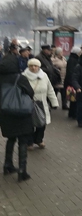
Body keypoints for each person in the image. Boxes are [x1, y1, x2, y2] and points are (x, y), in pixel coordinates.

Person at [0, 53, 34, 182]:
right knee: (23, 141)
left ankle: (7, 165)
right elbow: (30, 92)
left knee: (11, 138)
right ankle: (22, 171)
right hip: (21, 113)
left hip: (5, 113)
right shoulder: (20, 78)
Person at [22, 59, 58, 150]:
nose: (33, 68)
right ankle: (29, 142)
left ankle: (38, 140)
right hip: (27, 104)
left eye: (35, 66)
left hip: (42, 104)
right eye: (31, 66)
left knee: (42, 123)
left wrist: (54, 102)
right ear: (28, 66)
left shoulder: (44, 76)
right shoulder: (23, 76)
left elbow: (50, 89)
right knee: (29, 124)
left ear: (39, 67)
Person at [64, 46, 81, 119]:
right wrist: (73, 83)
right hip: (72, 83)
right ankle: (74, 114)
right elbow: (71, 72)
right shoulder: (74, 60)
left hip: (71, 82)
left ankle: (72, 113)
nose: (80, 53)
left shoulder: (71, 59)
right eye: (80, 52)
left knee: (73, 99)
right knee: (74, 99)